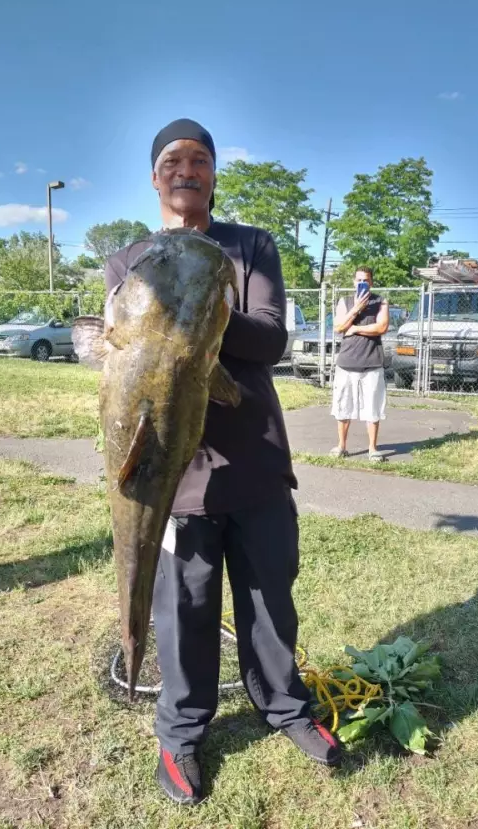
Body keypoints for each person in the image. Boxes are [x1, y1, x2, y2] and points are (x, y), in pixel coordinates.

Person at [104, 118, 341, 806]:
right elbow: (122, 346)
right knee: (185, 606)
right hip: (172, 469)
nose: (187, 169)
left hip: (257, 460)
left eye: (200, 159)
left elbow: (268, 340)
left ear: (213, 175)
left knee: (270, 596)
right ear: (155, 177)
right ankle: (180, 732)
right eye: (173, 159)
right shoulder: (129, 260)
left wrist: (201, 309)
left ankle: (286, 707)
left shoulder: (248, 246)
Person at [330, 267, 389, 462]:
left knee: (372, 408)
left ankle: (372, 448)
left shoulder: (381, 301)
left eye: (366, 280)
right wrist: (355, 309)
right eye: (359, 280)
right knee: (342, 407)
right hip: (346, 363)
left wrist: (354, 328)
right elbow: (338, 327)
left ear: (371, 282)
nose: (362, 283)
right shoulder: (344, 302)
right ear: (353, 282)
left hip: (372, 364)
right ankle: (342, 446)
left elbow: (381, 327)